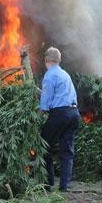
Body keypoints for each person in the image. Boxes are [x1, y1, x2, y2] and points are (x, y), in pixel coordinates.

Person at [39, 47, 81, 191]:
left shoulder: (49, 76)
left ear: (46, 60)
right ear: (59, 60)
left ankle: (47, 184)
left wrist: (37, 116)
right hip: (74, 114)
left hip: (60, 114)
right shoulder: (65, 74)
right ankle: (65, 185)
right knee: (67, 150)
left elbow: (45, 103)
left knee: (44, 146)